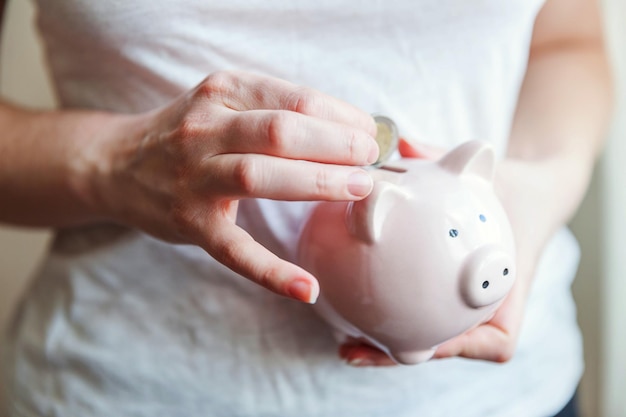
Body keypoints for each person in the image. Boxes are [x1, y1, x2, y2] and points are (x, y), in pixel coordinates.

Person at [0, 0, 611, 416]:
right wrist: (111, 162)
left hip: (504, 397)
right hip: (126, 388)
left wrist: (536, 186)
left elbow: (568, 41)